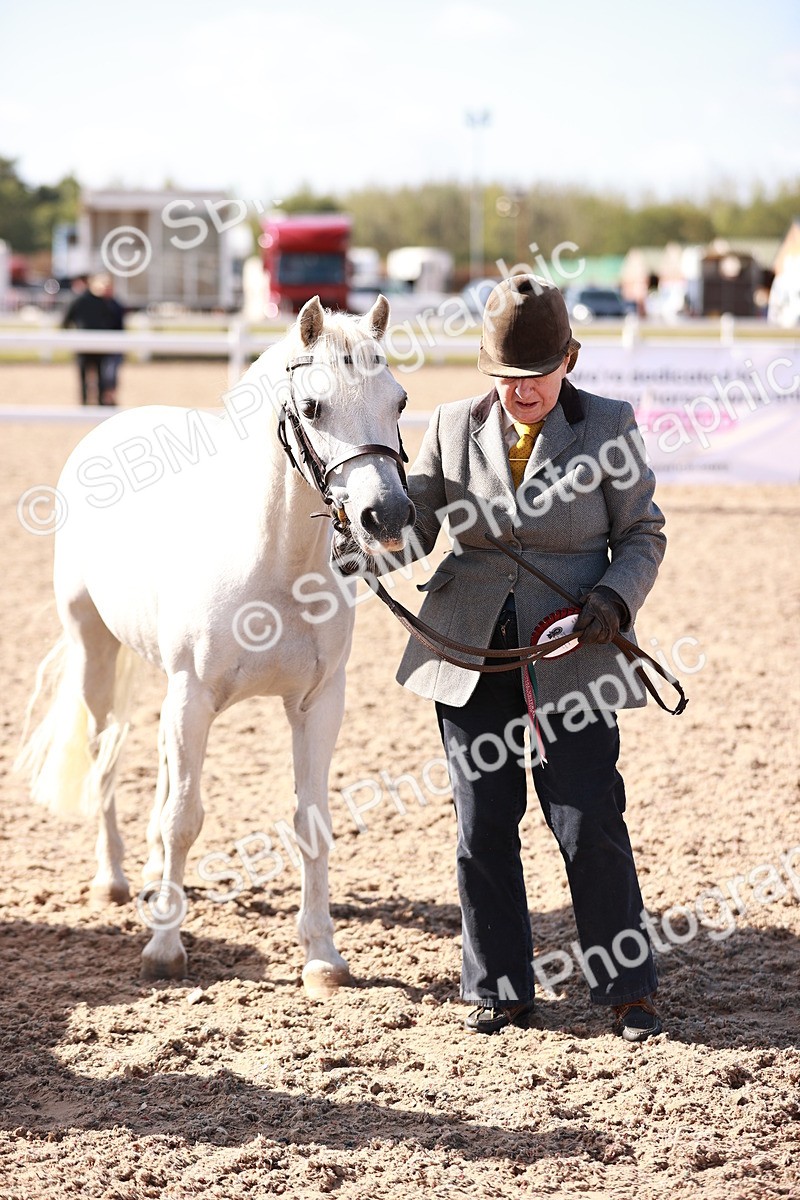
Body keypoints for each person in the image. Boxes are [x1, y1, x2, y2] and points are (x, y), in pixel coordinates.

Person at [394, 275, 667, 1042]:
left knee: (588, 821)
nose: (521, 391)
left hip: (574, 651)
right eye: (507, 377)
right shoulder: (449, 426)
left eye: (536, 375)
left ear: (570, 359)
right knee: (483, 824)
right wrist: (371, 524)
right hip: (468, 648)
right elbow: (412, 534)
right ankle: (501, 990)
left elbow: (644, 533)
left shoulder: (609, 426)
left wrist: (612, 603)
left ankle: (627, 989)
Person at [61, 273, 121, 405]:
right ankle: (99, 403)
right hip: (99, 344)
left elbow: (65, 322)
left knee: (85, 377)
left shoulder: (77, 300)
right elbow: (112, 322)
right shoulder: (103, 302)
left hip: (84, 344)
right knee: (100, 376)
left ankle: (84, 403)